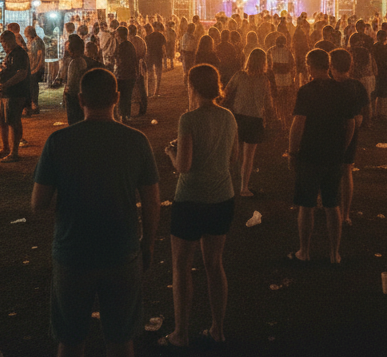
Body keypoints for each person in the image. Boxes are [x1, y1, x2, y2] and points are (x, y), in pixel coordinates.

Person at [32, 69, 160, 357]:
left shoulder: (58, 141)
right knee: (120, 338)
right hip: (121, 251)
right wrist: (148, 244)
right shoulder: (136, 140)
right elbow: (152, 202)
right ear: (116, 97)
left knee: (71, 339)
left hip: (73, 252)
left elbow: (38, 202)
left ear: (80, 100)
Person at [160, 64, 237, 349]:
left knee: (181, 267)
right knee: (214, 265)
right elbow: (233, 156)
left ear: (192, 87)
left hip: (191, 199)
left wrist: (171, 152)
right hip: (222, 198)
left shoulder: (188, 119)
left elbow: (184, 166)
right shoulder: (228, 117)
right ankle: (218, 329)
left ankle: (181, 333)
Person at [287, 49, 355, 265]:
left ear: (309, 65)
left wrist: (292, 152)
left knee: (306, 205)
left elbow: (298, 123)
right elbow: (351, 122)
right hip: (333, 154)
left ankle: (304, 251)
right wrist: (342, 147)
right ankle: (335, 253)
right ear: (328, 65)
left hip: (310, 153)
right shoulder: (341, 90)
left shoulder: (306, 91)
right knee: (332, 204)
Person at [225, 48, 276, 198]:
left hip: (238, 117)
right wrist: (272, 119)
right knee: (248, 156)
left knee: (233, 153)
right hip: (255, 119)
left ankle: (226, 184)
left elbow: (226, 92)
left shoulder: (239, 75)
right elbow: (268, 104)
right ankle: (244, 187)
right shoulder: (264, 80)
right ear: (264, 62)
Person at [330, 48, 369, 227]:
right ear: (350, 65)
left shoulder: (328, 86)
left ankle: (327, 206)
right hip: (350, 133)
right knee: (346, 171)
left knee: (327, 170)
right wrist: (360, 119)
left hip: (328, 132)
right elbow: (366, 112)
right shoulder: (357, 86)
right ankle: (345, 214)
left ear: (331, 66)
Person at [0, 30, 30, 163]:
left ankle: (14, 152)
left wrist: (7, 84)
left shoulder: (19, 54)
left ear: (9, 41)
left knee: (13, 121)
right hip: (5, 92)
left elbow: (22, 73)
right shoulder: (9, 55)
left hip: (16, 92)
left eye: (3, 43)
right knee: (2, 121)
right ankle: (5, 148)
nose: (3, 46)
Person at [267, 34, 297, 127]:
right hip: (286, 79)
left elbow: (268, 65)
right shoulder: (287, 51)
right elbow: (292, 64)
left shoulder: (270, 50)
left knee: (277, 100)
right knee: (286, 100)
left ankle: (278, 116)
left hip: (276, 79)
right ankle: (286, 119)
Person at [114, 26, 139, 123]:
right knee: (127, 96)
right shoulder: (130, 45)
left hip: (122, 75)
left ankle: (122, 115)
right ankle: (126, 115)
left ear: (119, 35)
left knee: (121, 96)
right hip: (131, 74)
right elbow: (134, 60)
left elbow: (120, 62)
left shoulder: (121, 47)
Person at [63, 35, 89, 126]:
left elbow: (72, 81)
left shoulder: (75, 62)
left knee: (74, 120)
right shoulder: (81, 61)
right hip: (78, 94)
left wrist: (67, 92)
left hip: (73, 95)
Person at [25, 25, 45, 116]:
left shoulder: (37, 41)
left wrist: (39, 66)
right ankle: (32, 104)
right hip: (31, 66)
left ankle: (35, 104)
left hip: (35, 66)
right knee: (30, 85)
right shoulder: (31, 41)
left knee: (33, 86)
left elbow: (40, 55)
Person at [145, 22, 167, 97]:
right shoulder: (161, 36)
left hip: (149, 56)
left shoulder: (147, 37)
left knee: (150, 74)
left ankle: (148, 91)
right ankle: (156, 91)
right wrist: (164, 55)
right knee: (158, 74)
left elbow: (146, 48)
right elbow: (164, 47)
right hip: (158, 56)